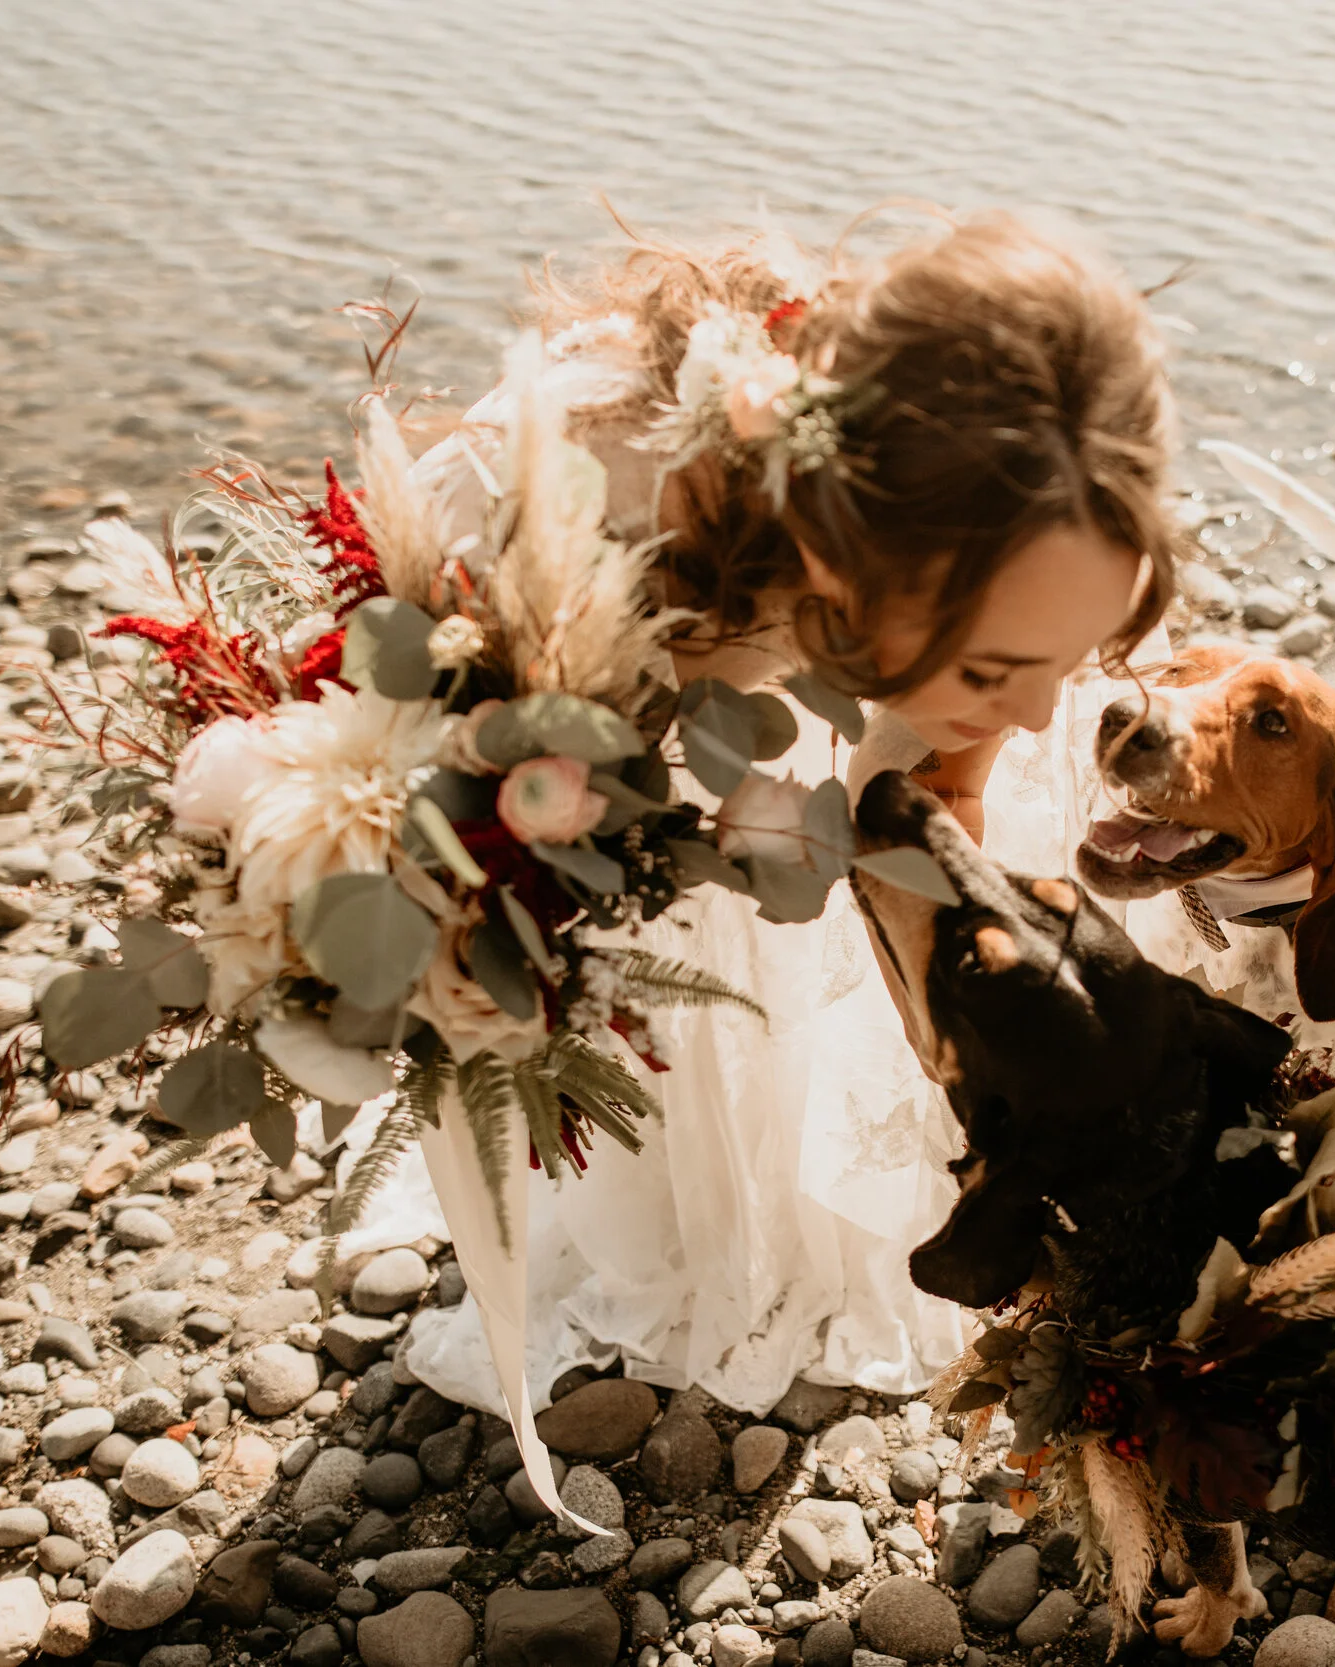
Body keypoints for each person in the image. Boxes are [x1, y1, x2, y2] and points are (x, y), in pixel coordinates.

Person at [389, 210, 1183, 1414]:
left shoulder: (1004, 521)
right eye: (995, 670)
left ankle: (803, 1218)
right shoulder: (572, 514)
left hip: (779, 741)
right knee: (669, 968)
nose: (1039, 720)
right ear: (837, 564)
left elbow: (911, 794)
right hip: (604, 738)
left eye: (1067, 656)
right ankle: (689, 1218)